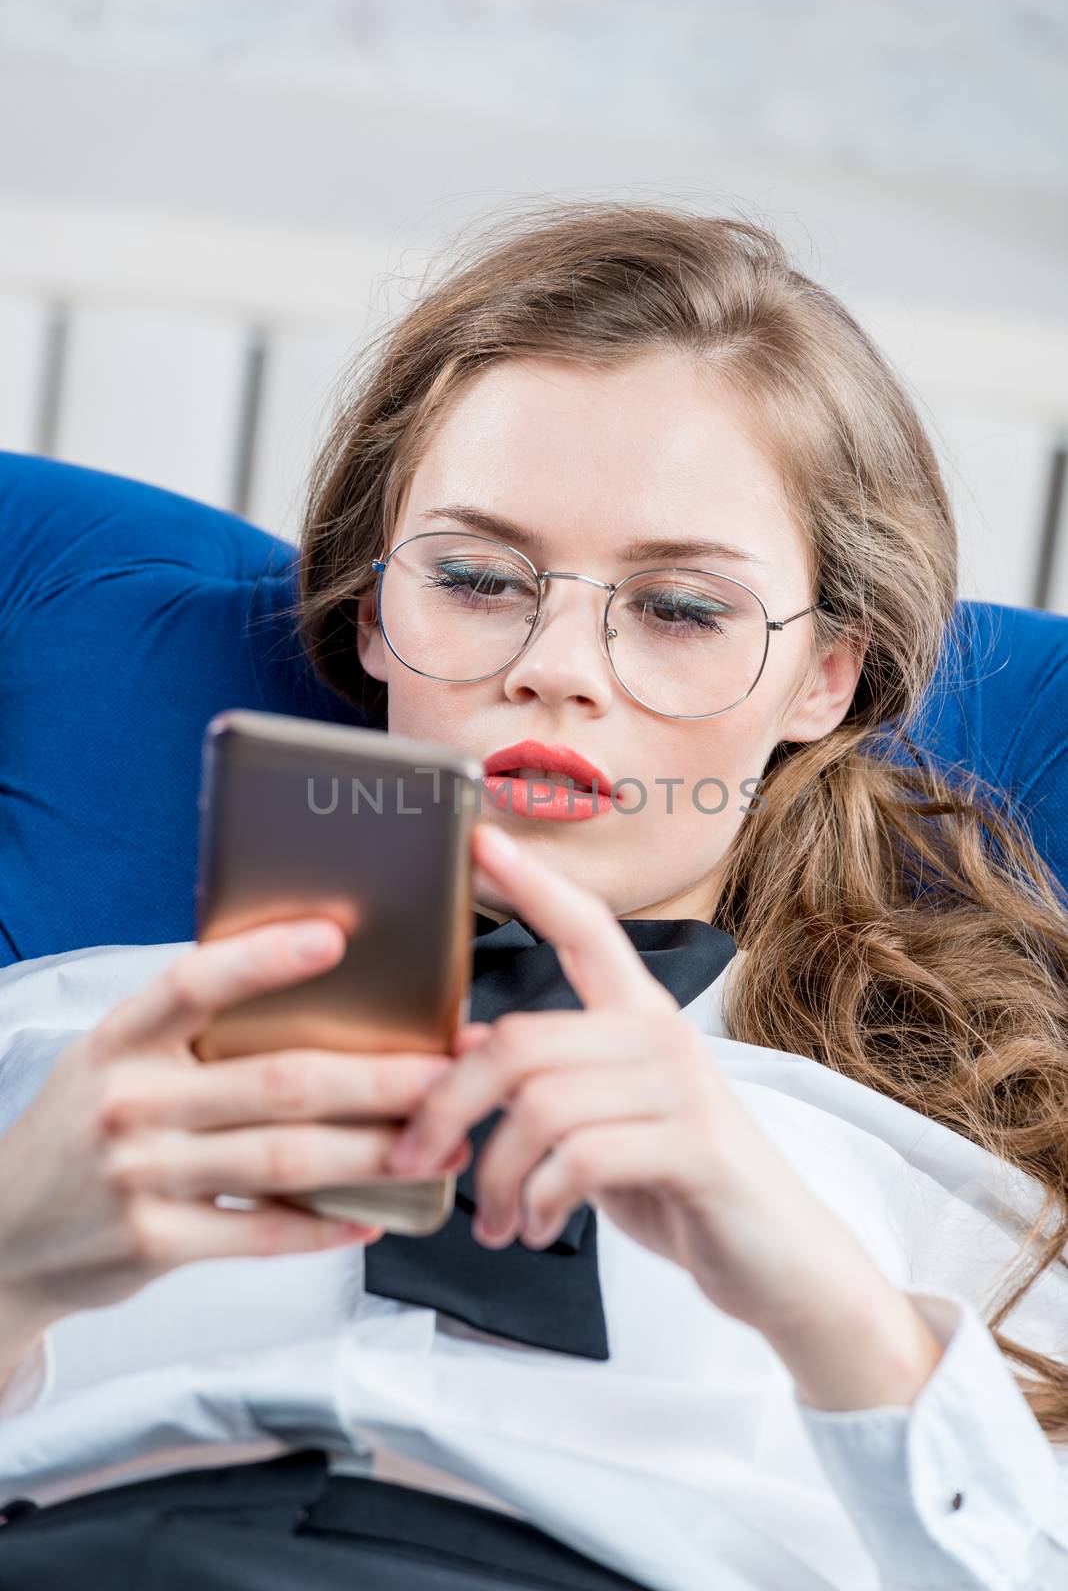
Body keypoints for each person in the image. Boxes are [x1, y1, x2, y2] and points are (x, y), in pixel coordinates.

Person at [0, 201, 1066, 1591]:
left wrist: (827, 1307)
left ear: (826, 679)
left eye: (680, 608)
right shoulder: (63, 1043)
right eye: (480, 579)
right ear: (375, 612)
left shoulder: (964, 1188)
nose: (555, 665)